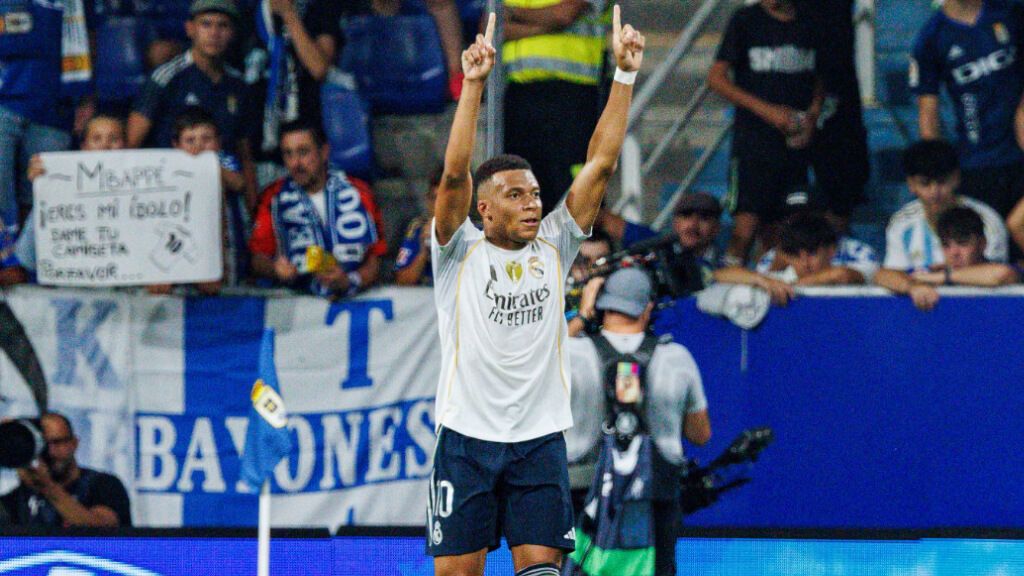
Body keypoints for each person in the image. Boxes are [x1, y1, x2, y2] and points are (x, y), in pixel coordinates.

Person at [426, 9, 644, 575]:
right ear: (484, 207)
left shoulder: (555, 243)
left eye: (535, 194)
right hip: (466, 440)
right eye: (516, 195)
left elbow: (600, 161)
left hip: (538, 443)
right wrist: (473, 86)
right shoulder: (457, 251)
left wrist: (622, 77)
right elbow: (453, 176)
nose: (531, 203)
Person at [566, 267, 710, 576]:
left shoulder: (569, 353)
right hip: (653, 497)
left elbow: (528, 362)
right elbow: (701, 434)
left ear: (600, 305)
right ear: (647, 308)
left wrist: (580, 318)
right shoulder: (677, 357)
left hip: (582, 493)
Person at [709, 0, 823, 266]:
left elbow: (821, 76)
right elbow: (716, 78)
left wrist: (812, 117)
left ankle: (771, 288)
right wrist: (768, 111)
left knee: (783, 232)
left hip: (794, 145)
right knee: (745, 228)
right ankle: (731, 285)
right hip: (753, 144)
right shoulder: (745, 21)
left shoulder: (811, 22)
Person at [128, 0, 258, 209]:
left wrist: (255, 217)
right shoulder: (166, 78)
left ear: (232, 33)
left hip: (223, 197)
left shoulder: (239, 85)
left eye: (222, 25)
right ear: (190, 29)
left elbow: (245, 157)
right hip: (169, 195)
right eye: (206, 24)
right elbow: (131, 146)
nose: (214, 33)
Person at [909, 0, 1024, 217]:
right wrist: (939, 178)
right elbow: (928, 116)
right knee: (983, 245)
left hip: (1019, 155)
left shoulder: (1010, 12)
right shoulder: (931, 37)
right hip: (976, 165)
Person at [249, 122, 385, 298]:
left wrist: (351, 280)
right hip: (301, 307)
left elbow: (375, 257)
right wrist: (275, 269)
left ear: (324, 152)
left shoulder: (359, 192)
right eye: (288, 154)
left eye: (303, 152)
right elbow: (258, 258)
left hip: (357, 303)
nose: (295, 163)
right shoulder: (273, 197)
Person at [502, 0, 612, 212]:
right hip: (518, 94)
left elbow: (564, 14)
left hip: (573, 94)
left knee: (570, 190)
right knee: (520, 189)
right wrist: (545, 24)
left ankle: (583, 244)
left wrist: (514, 14)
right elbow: (490, 26)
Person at [147, 106, 250, 295]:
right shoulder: (166, 170)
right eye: (190, 140)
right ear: (176, 146)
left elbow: (239, 183)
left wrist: (208, 166)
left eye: (206, 139)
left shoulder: (224, 161)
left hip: (227, 255)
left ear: (218, 142)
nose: (198, 147)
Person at [14, 116, 128, 278]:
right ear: (83, 146)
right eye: (96, 139)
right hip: (68, 281)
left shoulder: (142, 190)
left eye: (114, 139)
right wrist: (43, 186)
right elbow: (27, 259)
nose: (105, 146)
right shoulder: (60, 188)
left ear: (125, 146)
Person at [793, 0, 870, 231]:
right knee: (782, 196)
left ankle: (834, 250)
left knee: (843, 186)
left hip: (838, 92)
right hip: (790, 89)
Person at [246, 0, 344, 182]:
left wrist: (289, 14)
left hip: (303, 136)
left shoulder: (320, 8)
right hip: (258, 139)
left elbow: (319, 68)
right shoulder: (249, 9)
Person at [884, 139, 1007, 272]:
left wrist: (941, 278)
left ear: (956, 178)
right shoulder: (901, 224)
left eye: (942, 182)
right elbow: (893, 275)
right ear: (911, 184)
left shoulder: (988, 221)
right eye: (925, 183)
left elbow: (997, 276)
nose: (934, 192)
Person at [0, 413, 131, 528]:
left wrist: (47, 487)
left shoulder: (103, 485)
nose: (49, 452)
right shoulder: (18, 499)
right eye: (43, 445)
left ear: (74, 443)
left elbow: (105, 534)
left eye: (56, 443)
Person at [876, 206, 1019, 310]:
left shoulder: (935, 275)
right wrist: (912, 287)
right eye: (946, 245)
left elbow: (1002, 274)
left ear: (982, 244)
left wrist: (939, 277)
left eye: (962, 243)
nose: (954, 253)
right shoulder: (932, 272)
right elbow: (881, 275)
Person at [713, 212, 872, 305]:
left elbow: (841, 274)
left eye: (812, 253)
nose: (804, 263)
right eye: (796, 255)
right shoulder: (781, 279)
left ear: (831, 251)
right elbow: (719, 275)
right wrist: (762, 280)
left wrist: (793, 287)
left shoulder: (853, 272)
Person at [395, 166, 443, 286]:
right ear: (427, 200)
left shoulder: (476, 232)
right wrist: (424, 251)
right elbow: (402, 281)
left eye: (444, 199)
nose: (438, 206)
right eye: (434, 198)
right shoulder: (417, 229)